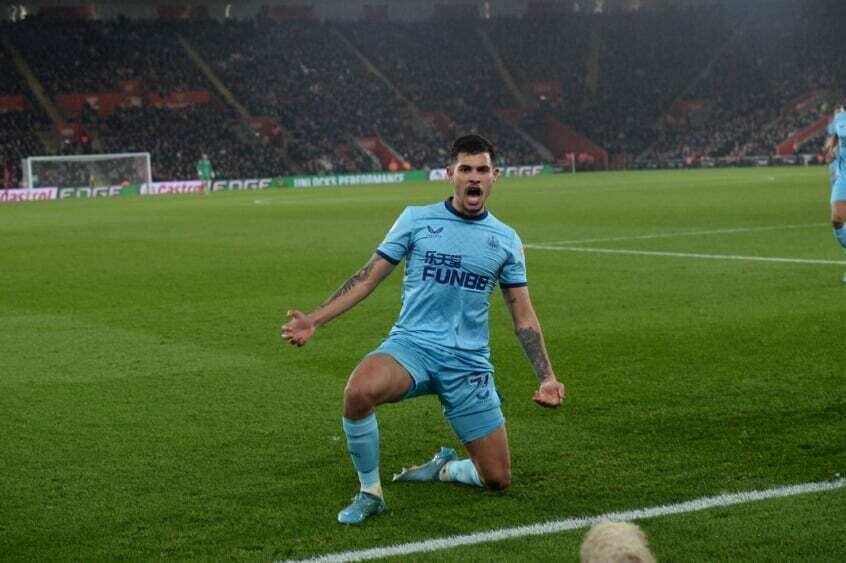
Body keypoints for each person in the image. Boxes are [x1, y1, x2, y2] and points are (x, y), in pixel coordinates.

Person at [281, 134, 566, 525]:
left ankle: (445, 469)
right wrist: (314, 319)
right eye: (465, 169)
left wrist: (547, 377)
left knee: (497, 479)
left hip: (467, 363)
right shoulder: (416, 219)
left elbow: (523, 315)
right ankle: (370, 493)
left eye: (482, 169)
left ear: (494, 176)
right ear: (450, 174)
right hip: (412, 347)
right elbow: (368, 277)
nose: (474, 177)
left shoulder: (506, 240)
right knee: (358, 392)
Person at [823, 105, 846, 280]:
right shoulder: (840, 119)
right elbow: (834, 138)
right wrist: (831, 149)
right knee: (837, 219)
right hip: (844, 177)